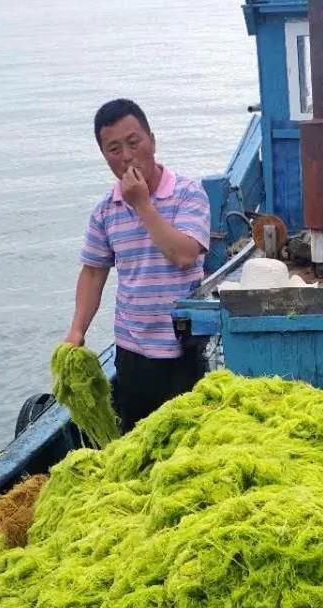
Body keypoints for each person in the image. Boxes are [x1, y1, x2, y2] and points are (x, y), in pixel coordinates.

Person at [66, 98, 211, 434]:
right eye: (114, 149)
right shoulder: (106, 210)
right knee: (138, 447)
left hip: (186, 350)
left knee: (189, 446)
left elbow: (185, 255)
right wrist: (77, 330)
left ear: (152, 141)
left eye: (134, 143)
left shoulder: (189, 194)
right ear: (105, 157)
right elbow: (93, 272)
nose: (127, 156)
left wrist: (142, 204)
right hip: (132, 351)